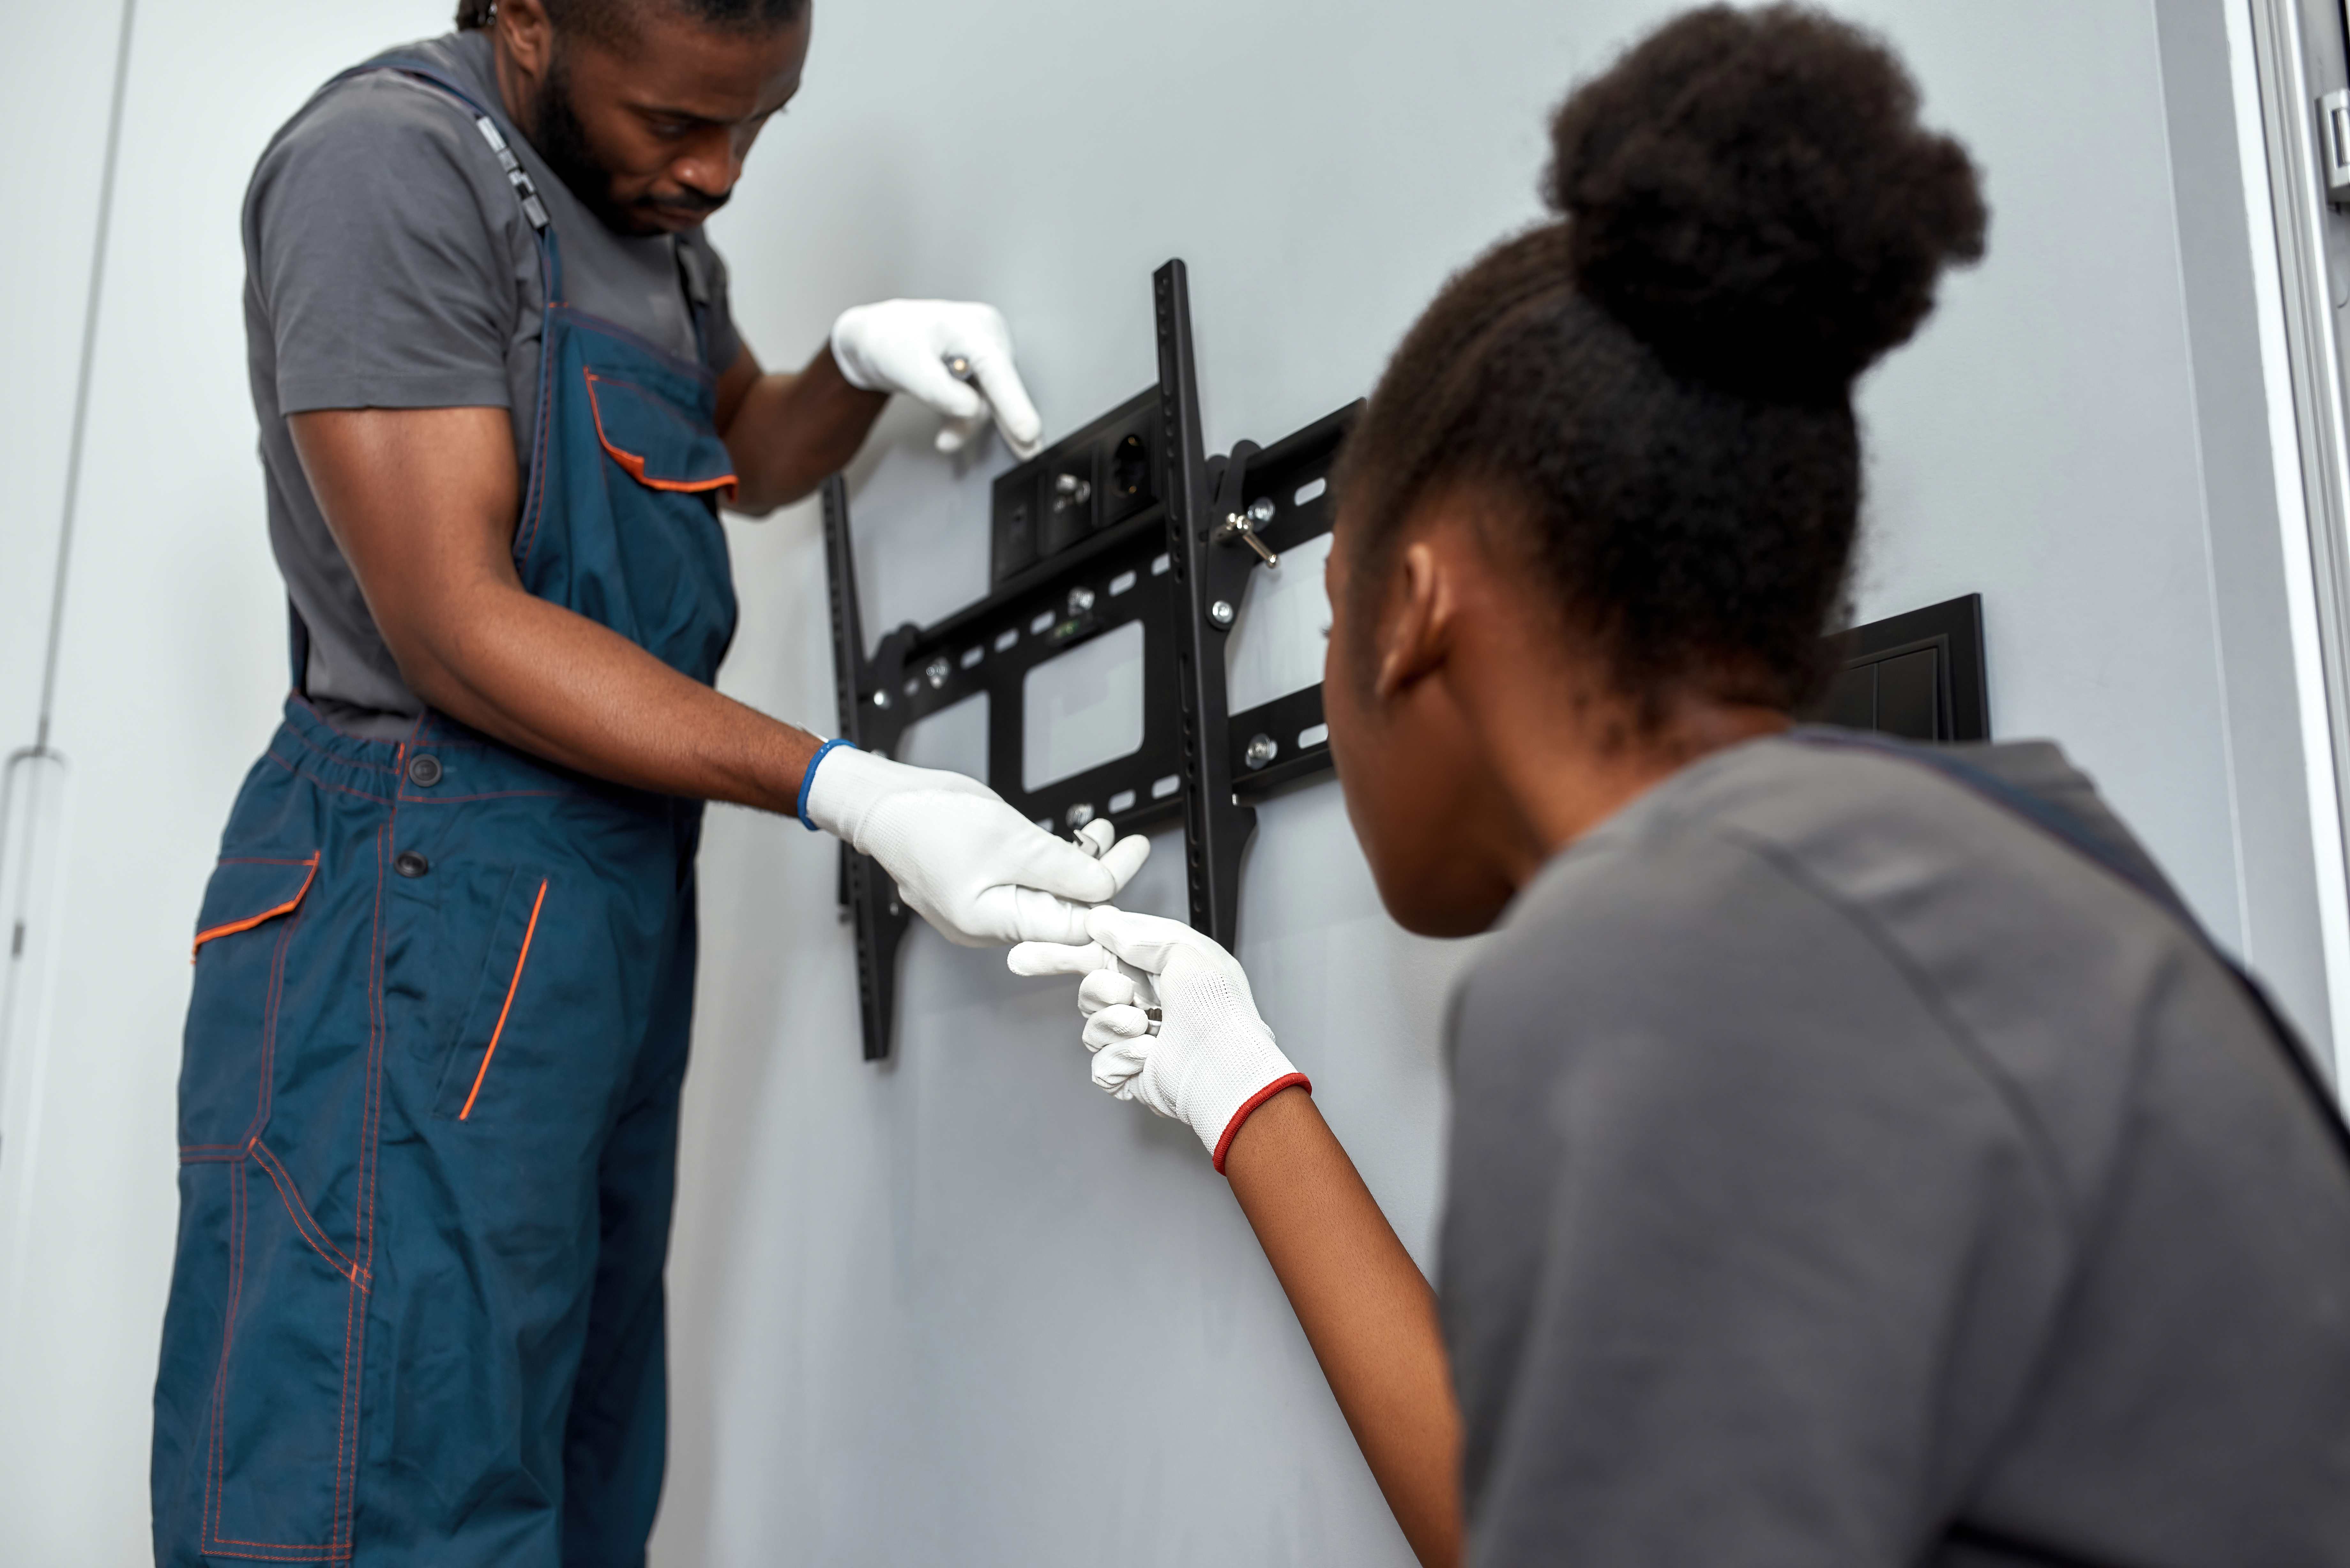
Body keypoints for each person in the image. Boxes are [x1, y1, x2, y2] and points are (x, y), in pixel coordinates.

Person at [1014, 7, 2350, 1566]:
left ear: (1416, 608)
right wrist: (1244, 1091)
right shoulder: (1998, 854)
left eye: (1324, 627)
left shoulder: (1660, 951)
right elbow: (1535, 1510)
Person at [150, 1, 1147, 1562]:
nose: (722, 170)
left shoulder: (652, 221)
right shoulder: (388, 172)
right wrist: (843, 788)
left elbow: (738, 448)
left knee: (568, 1450)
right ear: (529, 19)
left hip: (599, 906)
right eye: (680, 123)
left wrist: (856, 365)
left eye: (760, 123)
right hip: (413, 892)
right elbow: (456, 625)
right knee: (383, 1467)